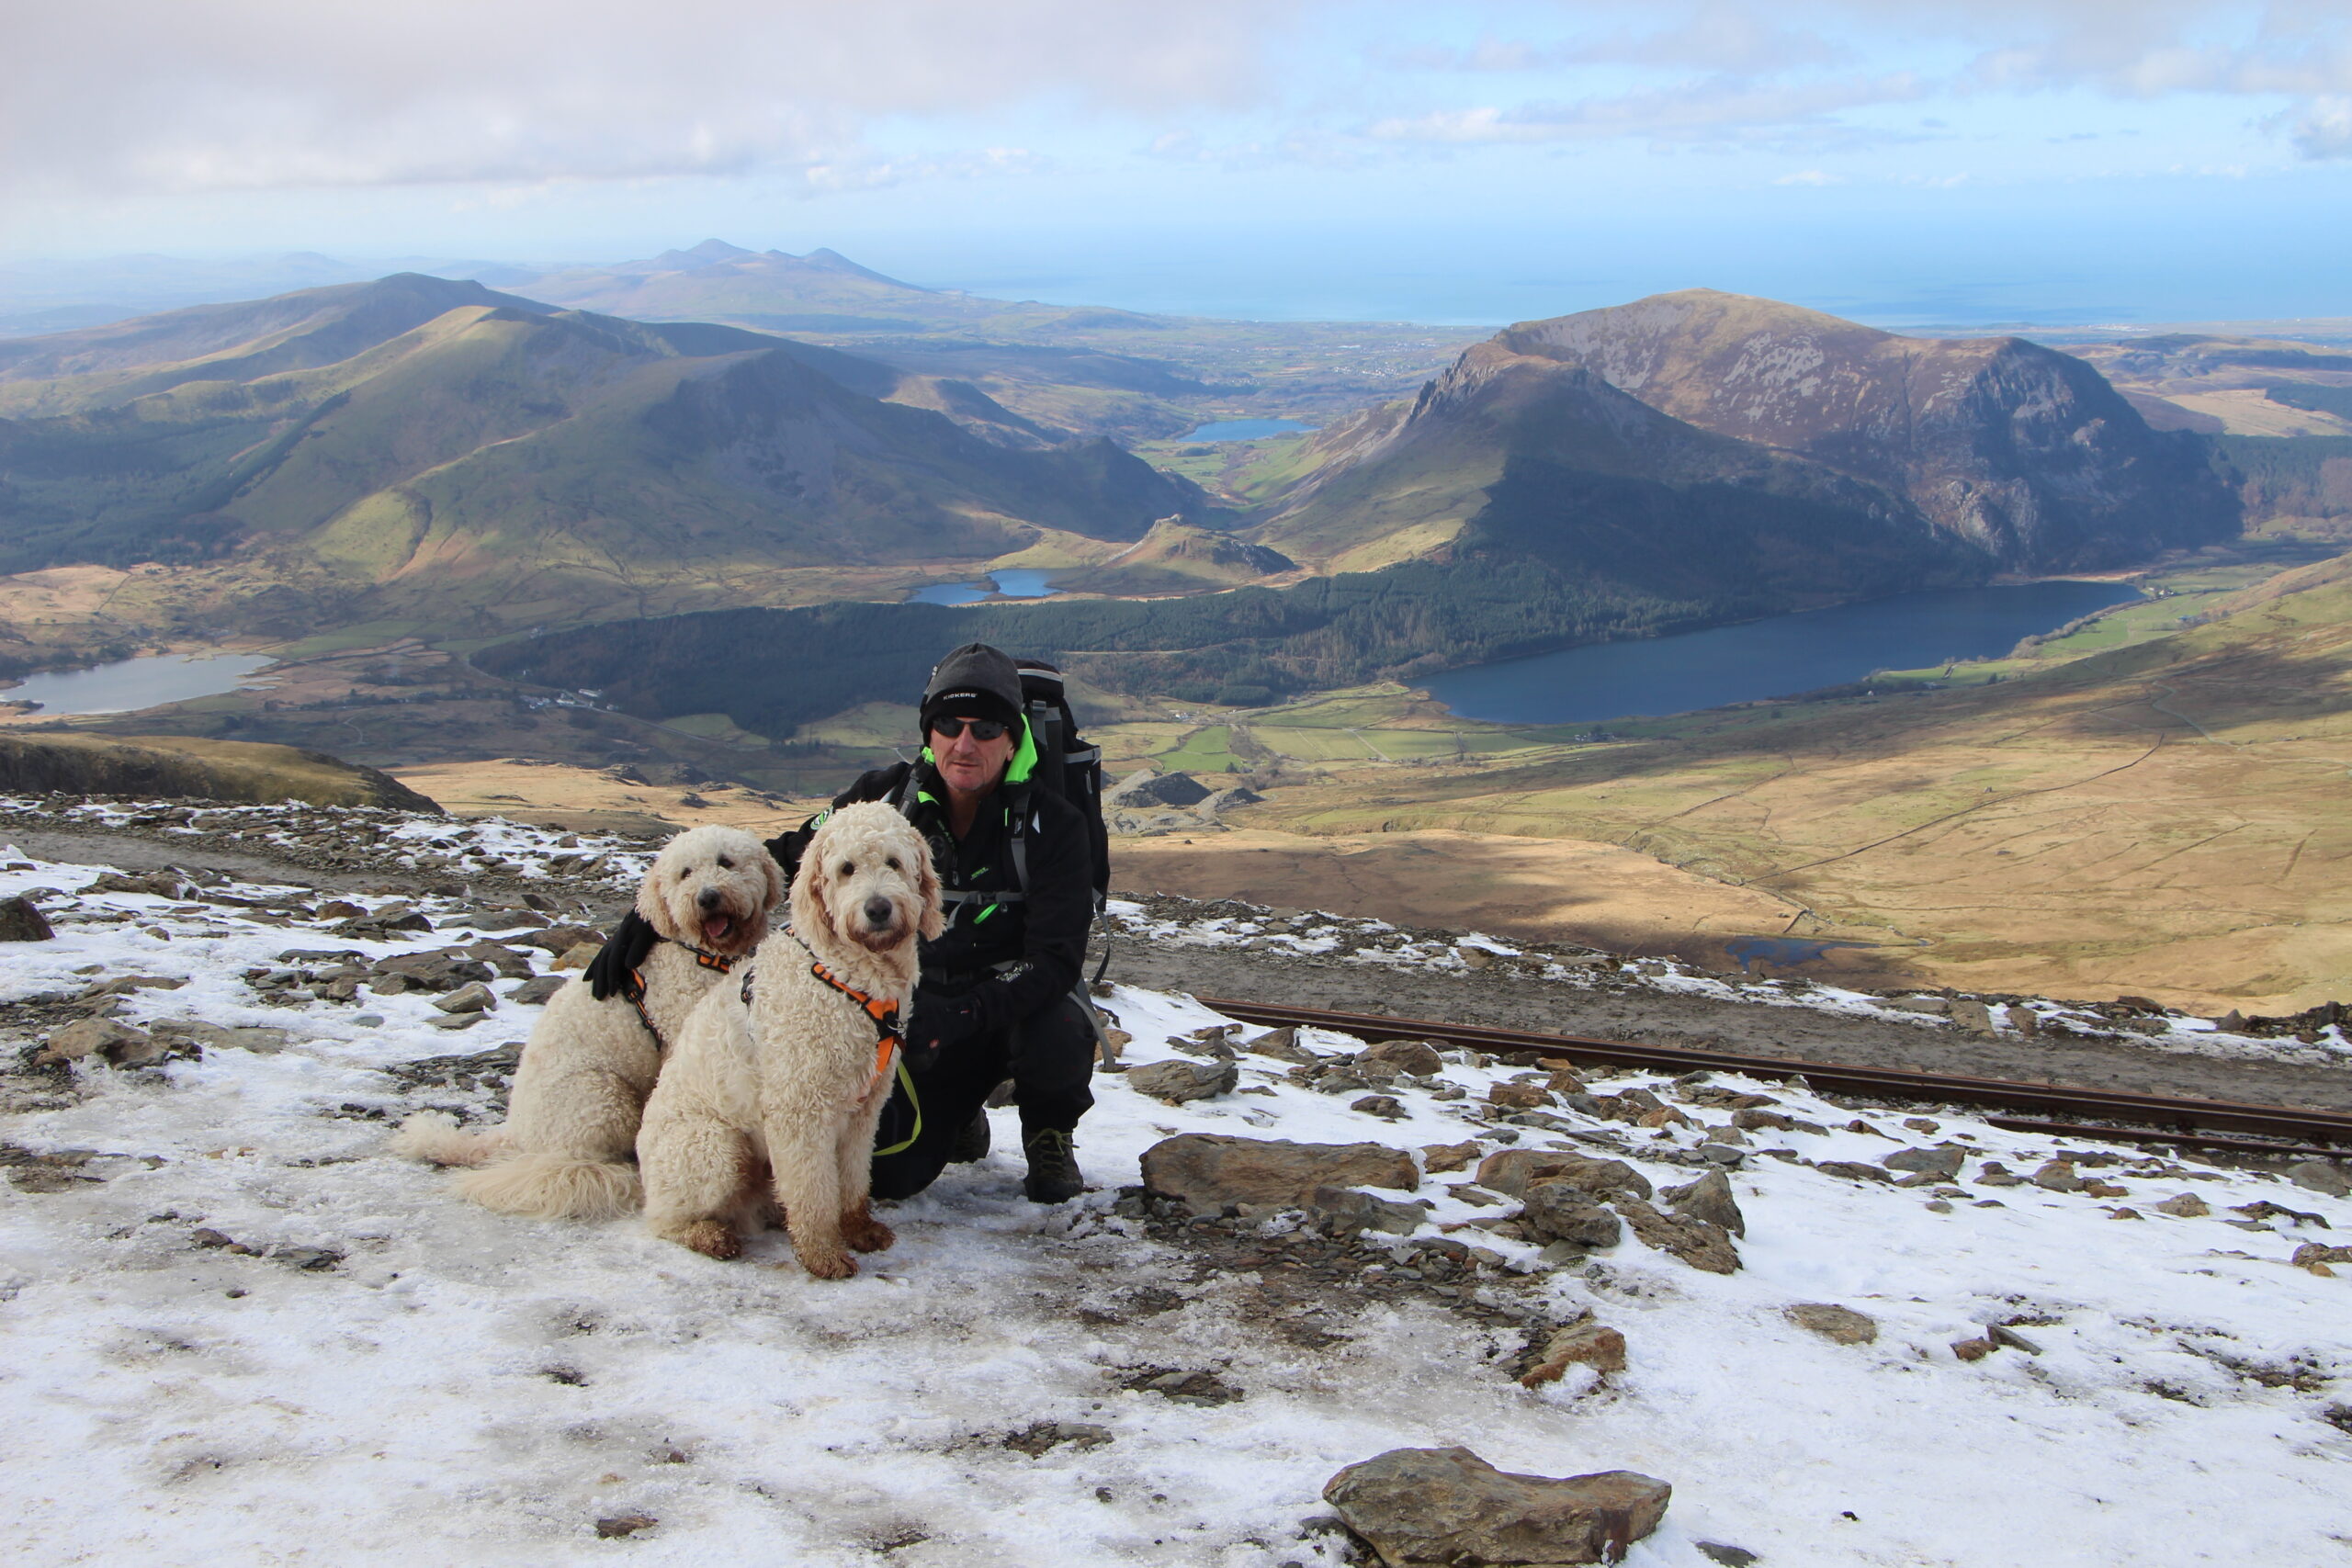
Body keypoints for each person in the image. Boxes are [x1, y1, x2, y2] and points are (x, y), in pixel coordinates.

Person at [765, 643, 1097, 1203]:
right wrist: (660, 913)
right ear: (929, 732)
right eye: (948, 723)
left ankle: (1049, 1131)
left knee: (1061, 1025)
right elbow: (793, 854)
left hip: (1003, 1008)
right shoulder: (880, 797)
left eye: (986, 727)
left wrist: (960, 1016)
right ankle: (959, 1115)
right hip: (908, 1014)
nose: (964, 744)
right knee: (887, 1177)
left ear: (1014, 737)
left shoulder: (1054, 825)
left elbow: (1055, 962)